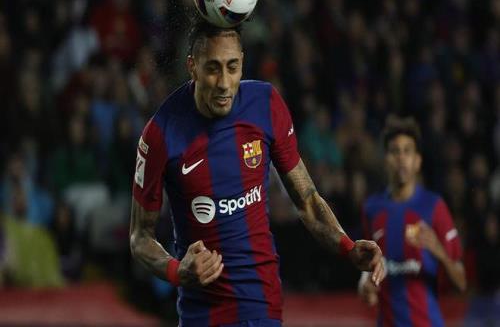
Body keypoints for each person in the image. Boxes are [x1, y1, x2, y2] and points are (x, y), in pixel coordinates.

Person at [129, 19, 385, 326]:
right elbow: (140, 236)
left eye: (232, 67)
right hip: (202, 314)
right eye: (212, 68)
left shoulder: (265, 104)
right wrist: (176, 270)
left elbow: (307, 201)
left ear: (242, 63)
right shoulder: (160, 133)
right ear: (192, 67)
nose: (224, 83)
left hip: (261, 306)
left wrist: (349, 248)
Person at [358, 115, 466, 326]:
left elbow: (461, 283)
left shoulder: (434, 207)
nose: (401, 158)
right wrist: (364, 287)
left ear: (417, 161)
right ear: (386, 159)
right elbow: (366, 270)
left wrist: (439, 251)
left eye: (407, 151)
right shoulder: (371, 209)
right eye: (395, 151)